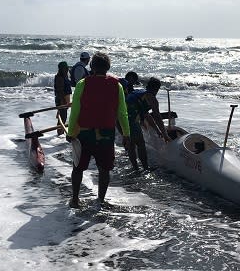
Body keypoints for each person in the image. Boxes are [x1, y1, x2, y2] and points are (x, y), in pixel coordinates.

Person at [66, 52, 130, 208]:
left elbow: (76, 110)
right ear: (108, 67)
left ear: (92, 67)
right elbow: (122, 112)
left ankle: (75, 199)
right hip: (106, 135)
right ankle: (100, 200)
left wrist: (70, 133)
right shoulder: (117, 85)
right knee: (104, 169)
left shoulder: (83, 83)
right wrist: (126, 134)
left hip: (84, 133)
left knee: (78, 168)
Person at [125, 77, 171, 171]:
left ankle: (136, 168)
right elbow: (157, 117)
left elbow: (146, 114)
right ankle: (145, 168)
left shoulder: (140, 93)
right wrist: (165, 135)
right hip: (130, 120)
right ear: (157, 89)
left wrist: (157, 130)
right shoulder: (152, 98)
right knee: (140, 143)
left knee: (131, 144)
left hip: (121, 119)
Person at [54, 61, 72, 135]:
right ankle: (59, 135)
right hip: (62, 101)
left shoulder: (61, 76)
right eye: (66, 68)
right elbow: (62, 92)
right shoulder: (61, 78)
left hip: (61, 101)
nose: (67, 70)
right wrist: (65, 103)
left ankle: (60, 134)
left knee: (62, 117)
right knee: (63, 119)